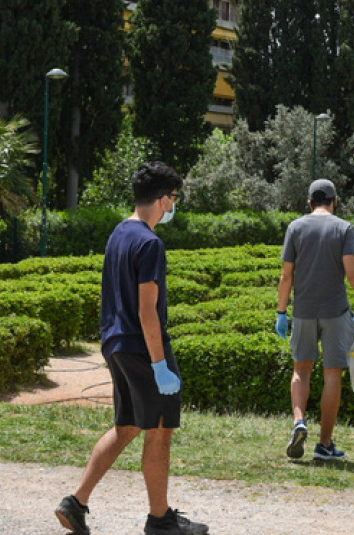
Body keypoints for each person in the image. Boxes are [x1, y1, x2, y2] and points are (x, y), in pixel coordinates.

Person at [55, 162, 207, 535]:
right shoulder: (150, 244)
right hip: (142, 348)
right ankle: (160, 520)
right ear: (163, 199)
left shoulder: (119, 233)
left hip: (116, 343)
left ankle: (75, 503)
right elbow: (147, 311)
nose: (173, 206)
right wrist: (159, 365)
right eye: (174, 198)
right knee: (159, 429)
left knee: (127, 426)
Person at [276, 178, 354, 461]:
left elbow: (286, 275)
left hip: (303, 311)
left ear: (310, 202)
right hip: (336, 312)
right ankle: (325, 444)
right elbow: (352, 273)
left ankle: (299, 421)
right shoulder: (344, 228)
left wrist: (282, 312)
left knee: (301, 370)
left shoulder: (295, 227)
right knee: (333, 374)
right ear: (335, 201)